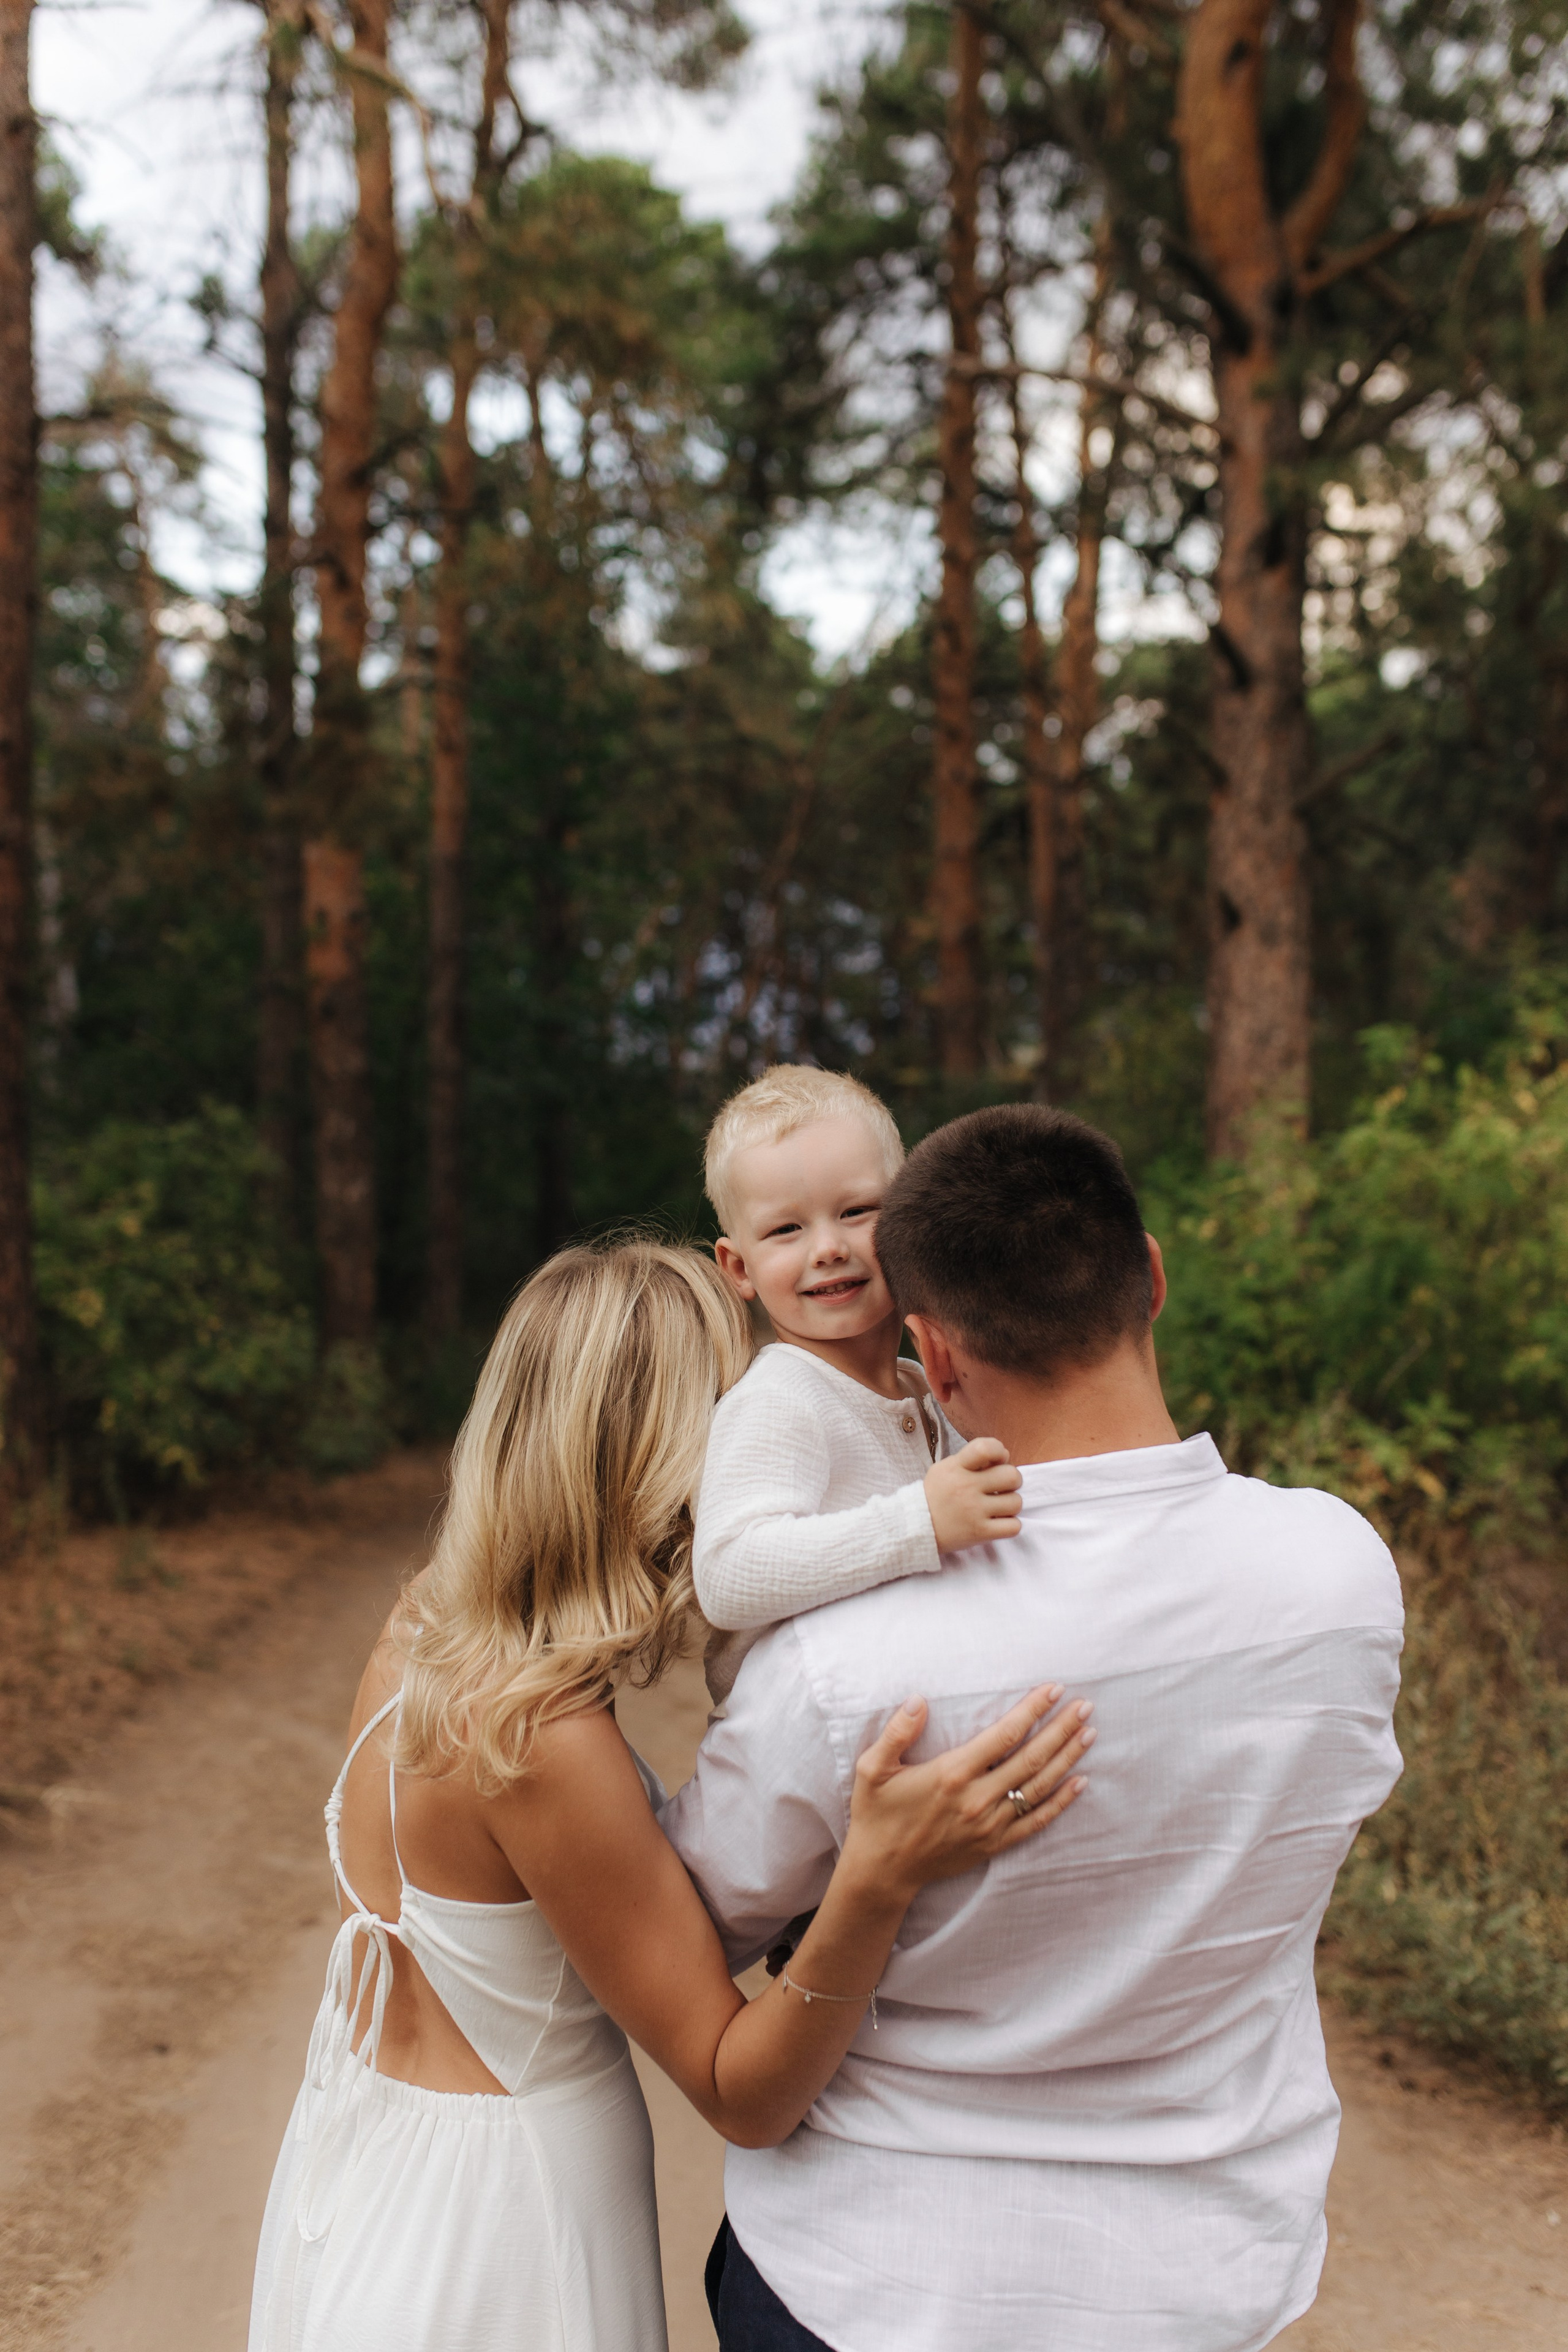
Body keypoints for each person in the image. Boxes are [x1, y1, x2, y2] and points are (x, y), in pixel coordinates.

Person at [247, 1238, 1095, 2352]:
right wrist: (879, 1879)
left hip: (373, 2187)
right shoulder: (539, 1735)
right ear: (658, 1455)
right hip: (503, 2244)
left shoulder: (430, 1625)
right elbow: (739, 2090)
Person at [665, 1104, 1406, 2352]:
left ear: (930, 1357)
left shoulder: (845, 1667)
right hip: (1208, 2286)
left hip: (875, 2281)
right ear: (1153, 1276)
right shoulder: (1338, 1575)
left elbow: (696, 1922)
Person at [697, 1065, 1025, 1704]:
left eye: (856, 1212)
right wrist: (918, 1522)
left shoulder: (927, 1390)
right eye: (786, 1229)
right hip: (806, 1751)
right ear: (739, 1267)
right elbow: (729, 1572)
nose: (827, 1247)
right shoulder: (779, 1398)